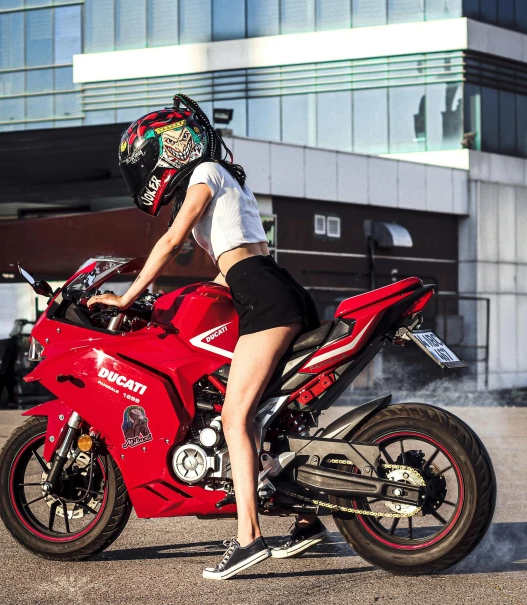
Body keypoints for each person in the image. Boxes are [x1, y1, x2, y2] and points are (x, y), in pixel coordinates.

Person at [87, 94, 326, 580]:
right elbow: (229, 266)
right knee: (267, 415)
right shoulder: (227, 181)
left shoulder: (203, 174)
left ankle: (248, 539)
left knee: (235, 417)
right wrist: (166, 303)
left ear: (172, 147)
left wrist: (127, 298)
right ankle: (307, 521)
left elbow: (171, 241)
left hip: (265, 296)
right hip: (274, 289)